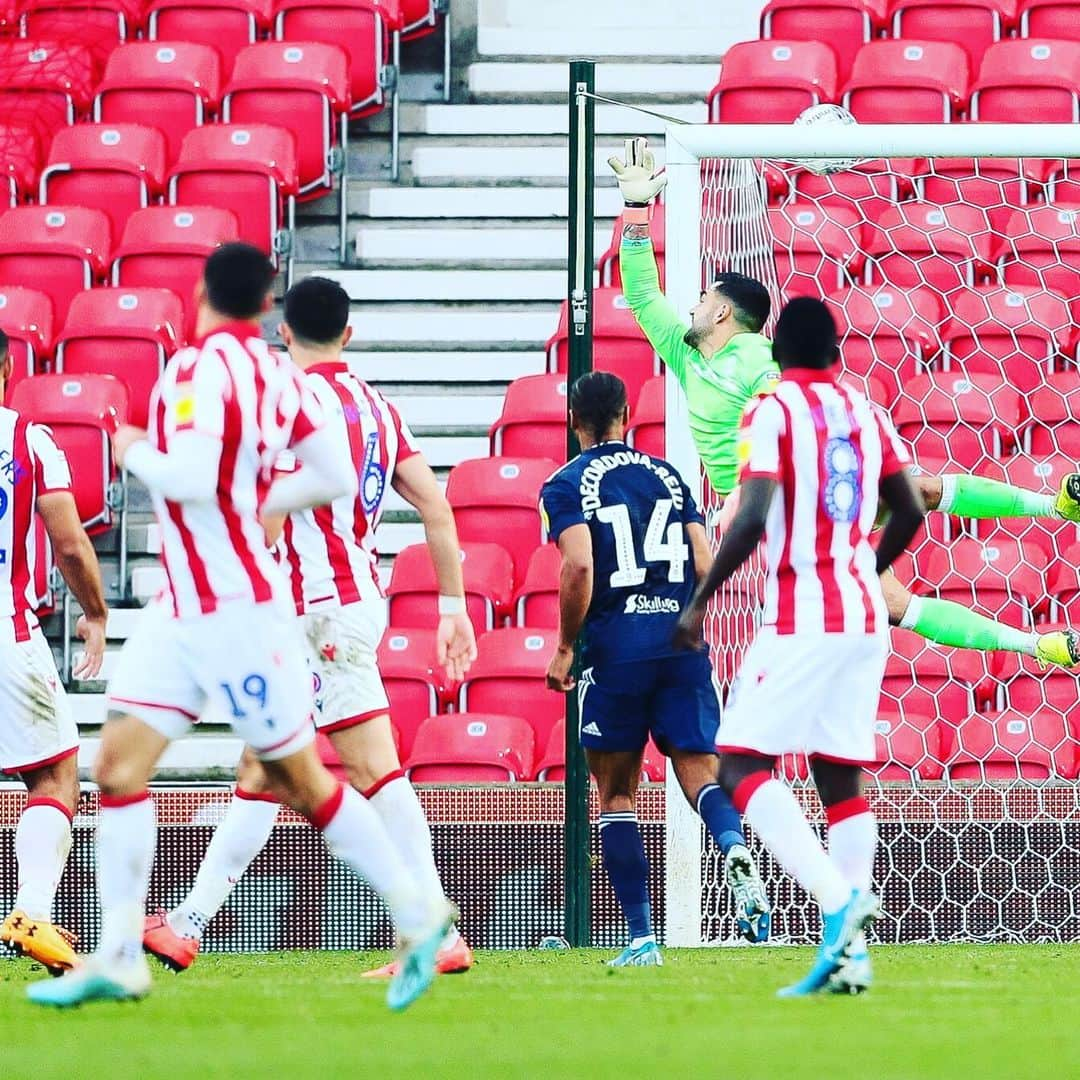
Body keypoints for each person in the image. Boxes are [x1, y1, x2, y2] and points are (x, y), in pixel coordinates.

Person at [28, 245, 454, 1012]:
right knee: (120, 767)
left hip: (232, 608)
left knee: (302, 778)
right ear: (267, 305)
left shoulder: (195, 370)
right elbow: (325, 473)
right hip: (185, 607)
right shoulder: (282, 380)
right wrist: (254, 490)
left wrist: (135, 453)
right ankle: (122, 953)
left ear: (201, 291)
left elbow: (189, 478)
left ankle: (420, 917)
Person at [609, 136, 1080, 671]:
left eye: (702, 298)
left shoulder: (764, 360)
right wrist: (636, 206)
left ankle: (1056, 507)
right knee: (893, 601)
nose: (691, 305)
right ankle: (1037, 646)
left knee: (919, 489)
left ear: (723, 313)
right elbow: (644, 295)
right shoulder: (685, 354)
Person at [141, 276, 477, 978]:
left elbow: (266, 510)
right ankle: (187, 924)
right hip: (343, 604)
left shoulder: (286, 403)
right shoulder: (379, 409)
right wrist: (453, 609)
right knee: (263, 766)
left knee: (371, 768)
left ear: (282, 333)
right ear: (347, 335)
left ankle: (436, 929)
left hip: (315, 608)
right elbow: (437, 509)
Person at [676, 297, 926, 997]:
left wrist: (701, 601)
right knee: (839, 777)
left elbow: (753, 513)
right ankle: (853, 961)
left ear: (778, 354)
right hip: (863, 616)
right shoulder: (864, 412)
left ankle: (838, 902)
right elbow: (908, 507)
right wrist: (868, 567)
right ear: (834, 353)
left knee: (738, 762)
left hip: (802, 611)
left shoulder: (773, 411)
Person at [541, 371, 770, 966]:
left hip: (617, 651)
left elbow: (580, 568)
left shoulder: (564, 484)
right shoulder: (670, 475)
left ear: (574, 420)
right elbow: (703, 558)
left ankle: (643, 936)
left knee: (617, 793)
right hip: (681, 642)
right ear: (626, 415)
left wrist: (567, 646)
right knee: (701, 769)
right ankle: (732, 844)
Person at [0, 328, 109, 974]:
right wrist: (95, 612)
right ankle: (31, 910)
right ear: (9, 369)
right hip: (5, 633)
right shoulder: (27, 441)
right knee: (56, 771)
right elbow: (69, 543)